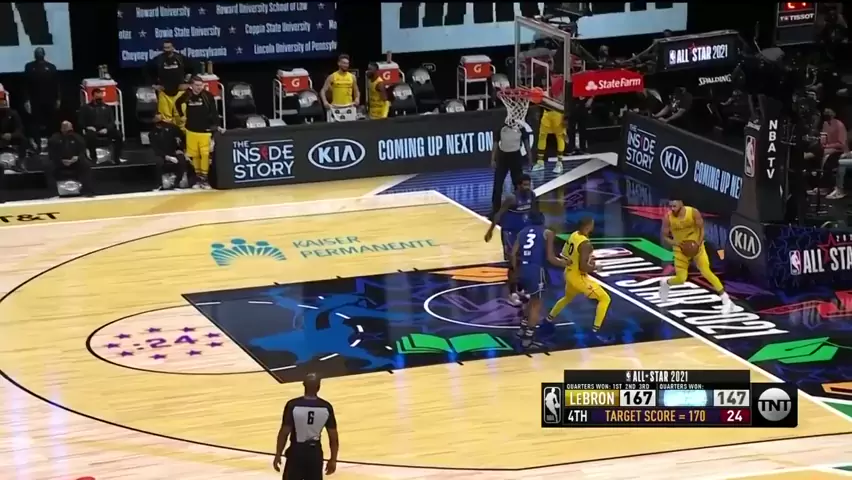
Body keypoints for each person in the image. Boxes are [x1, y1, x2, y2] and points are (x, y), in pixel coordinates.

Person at [658, 200, 732, 313]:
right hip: (680, 249)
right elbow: (665, 236)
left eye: (674, 206)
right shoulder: (668, 218)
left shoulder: (693, 212)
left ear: (681, 204)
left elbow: (702, 230)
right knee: (681, 279)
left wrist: (698, 243)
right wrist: (676, 243)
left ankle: (725, 299)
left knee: (706, 271)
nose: (672, 208)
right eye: (671, 206)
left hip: (697, 247)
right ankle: (666, 283)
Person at [542, 216, 611, 333]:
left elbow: (564, 255)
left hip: (569, 273)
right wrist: (595, 267)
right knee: (605, 299)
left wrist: (582, 259)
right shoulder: (585, 244)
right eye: (592, 224)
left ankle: (549, 318)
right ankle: (596, 330)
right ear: (588, 226)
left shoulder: (574, 235)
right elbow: (583, 267)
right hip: (578, 277)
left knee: (567, 298)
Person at [511, 211, 566, 347]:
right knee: (537, 304)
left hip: (523, 269)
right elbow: (550, 258)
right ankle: (528, 339)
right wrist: (567, 264)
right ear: (543, 220)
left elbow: (513, 254)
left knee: (531, 300)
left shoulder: (522, 232)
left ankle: (522, 329)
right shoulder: (547, 233)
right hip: (536, 270)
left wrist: (516, 270)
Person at [273, 373, 339, 480]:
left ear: (304, 385)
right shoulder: (326, 407)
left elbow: (284, 432)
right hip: (315, 453)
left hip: (296, 452)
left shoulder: (293, 405)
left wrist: (278, 454)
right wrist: (333, 459)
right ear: (319, 386)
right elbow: (333, 437)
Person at [485, 174, 535, 304]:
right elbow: (498, 214)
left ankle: (521, 289)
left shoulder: (532, 195)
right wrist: (490, 231)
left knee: (524, 262)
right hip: (510, 233)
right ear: (518, 186)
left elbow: (534, 214)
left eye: (529, 184)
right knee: (513, 264)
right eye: (525, 184)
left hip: (525, 233)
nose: (527, 187)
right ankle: (512, 293)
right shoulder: (511, 198)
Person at [175, 76, 221, 188]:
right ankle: (198, 179)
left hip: (205, 130)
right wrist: (181, 115)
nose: (199, 87)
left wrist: (217, 126)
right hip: (191, 130)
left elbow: (214, 112)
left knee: (205, 155)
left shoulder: (207, 96)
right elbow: (177, 103)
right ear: (191, 85)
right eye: (196, 85)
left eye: (201, 85)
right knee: (194, 155)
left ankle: (205, 180)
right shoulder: (187, 95)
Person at [490, 117, 532, 216]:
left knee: (518, 184)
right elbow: (495, 144)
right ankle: (495, 210)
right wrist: (492, 159)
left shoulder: (521, 129)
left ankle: (521, 205)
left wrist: (530, 158)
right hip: (502, 158)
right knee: (497, 185)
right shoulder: (501, 128)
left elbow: (526, 144)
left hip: (516, 158)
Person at [148, 40, 196, 123]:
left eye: (168, 47)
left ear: (173, 48)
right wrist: (154, 85)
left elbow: (195, 67)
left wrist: (188, 83)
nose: (166, 50)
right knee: (166, 120)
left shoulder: (180, 58)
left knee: (181, 118)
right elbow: (146, 71)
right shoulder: (158, 59)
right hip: (164, 94)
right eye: (165, 48)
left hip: (179, 93)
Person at [46, 121, 94, 197]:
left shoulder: (78, 138)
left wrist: (77, 158)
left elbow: (82, 151)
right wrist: (60, 160)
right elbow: (52, 153)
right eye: (65, 128)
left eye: (69, 128)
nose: (68, 131)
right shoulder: (54, 139)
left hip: (74, 161)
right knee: (49, 166)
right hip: (59, 162)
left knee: (86, 165)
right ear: (61, 129)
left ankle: (87, 191)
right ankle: (53, 193)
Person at [23, 47, 60, 146]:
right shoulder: (29, 67)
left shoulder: (51, 67)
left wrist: (58, 99)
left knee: (51, 122)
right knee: (35, 122)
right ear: (34, 55)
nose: (39, 54)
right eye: (37, 53)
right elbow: (25, 85)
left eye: (40, 53)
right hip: (35, 99)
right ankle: (37, 144)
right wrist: (26, 100)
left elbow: (56, 84)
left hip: (49, 99)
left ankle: (52, 143)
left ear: (44, 54)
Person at [149, 113, 196, 190]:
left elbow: (182, 139)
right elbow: (155, 149)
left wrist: (181, 149)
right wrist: (167, 157)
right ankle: (159, 185)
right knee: (158, 162)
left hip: (174, 151)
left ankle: (177, 183)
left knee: (182, 161)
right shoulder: (152, 133)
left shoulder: (173, 128)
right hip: (162, 154)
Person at [79, 88, 124, 164]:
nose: (99, 99)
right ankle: (93, 156)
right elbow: (81, 122)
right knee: (90, 136)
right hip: (92, 129)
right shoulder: (85, 108)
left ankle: (116, 157)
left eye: (100, 97)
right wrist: (87, 127)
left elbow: (112, 122)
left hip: (105, 129)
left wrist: (107, 129)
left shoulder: (107, 107)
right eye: (97, 97)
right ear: (93, 97)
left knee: (118, 134)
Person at [816, 107, 849, 198]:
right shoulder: (825, 124)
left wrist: (827, 147)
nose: (826, 112)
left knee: (828, 157)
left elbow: (841, 144)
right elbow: (823, 139)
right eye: (825, 110)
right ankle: (823, 187)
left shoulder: (839, 125)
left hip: (841, 151)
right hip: (828, 149)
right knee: (816, 154)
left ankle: (837, 189)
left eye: (829, 110)